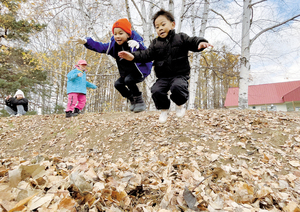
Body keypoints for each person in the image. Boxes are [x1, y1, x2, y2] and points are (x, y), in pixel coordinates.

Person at [118, 9, 213, 123]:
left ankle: (179, 104)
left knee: (177, 87)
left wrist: (200, 42)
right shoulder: (155, 43)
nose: (160, 28)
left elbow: (192, 41)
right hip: (163, 77)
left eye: (163, 25)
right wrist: (133, 57)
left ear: (172, 24)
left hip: (179, 74)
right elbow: (146, 54)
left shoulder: (181, 38)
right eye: (157, 27)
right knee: (156, 90)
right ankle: (164, 110)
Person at [73, 18, 152, 113]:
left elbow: (147, 53)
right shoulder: (113, 46)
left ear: (128, 34)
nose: (117, 36)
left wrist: (138, 45)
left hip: (140, 70)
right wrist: (87, 42)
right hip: (126, 72)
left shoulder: (135, 42)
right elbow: (100, 47)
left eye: (120, 33)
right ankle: (132, 99)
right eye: (115, 34)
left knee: (129, 80)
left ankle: (139, 101)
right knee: (118, 84)